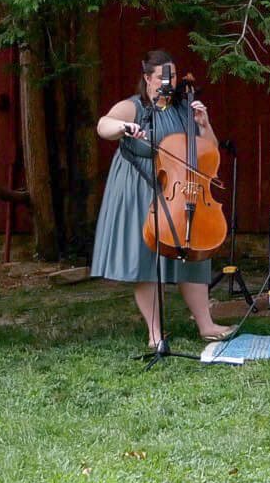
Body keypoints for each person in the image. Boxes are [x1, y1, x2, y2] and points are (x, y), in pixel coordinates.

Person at [89, 50, 232, 349]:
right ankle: (155, 334)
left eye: (174, 76)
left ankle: (206, 325)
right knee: (145, 258)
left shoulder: (185, 109)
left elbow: (211, 151)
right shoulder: (135, 107)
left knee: (193, 253)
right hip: (140, 188)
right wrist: (123, 128)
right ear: (147, 78)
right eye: (163, 77)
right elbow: (104, 125)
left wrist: (204, 125)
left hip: (181, 189)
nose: (170, 82)